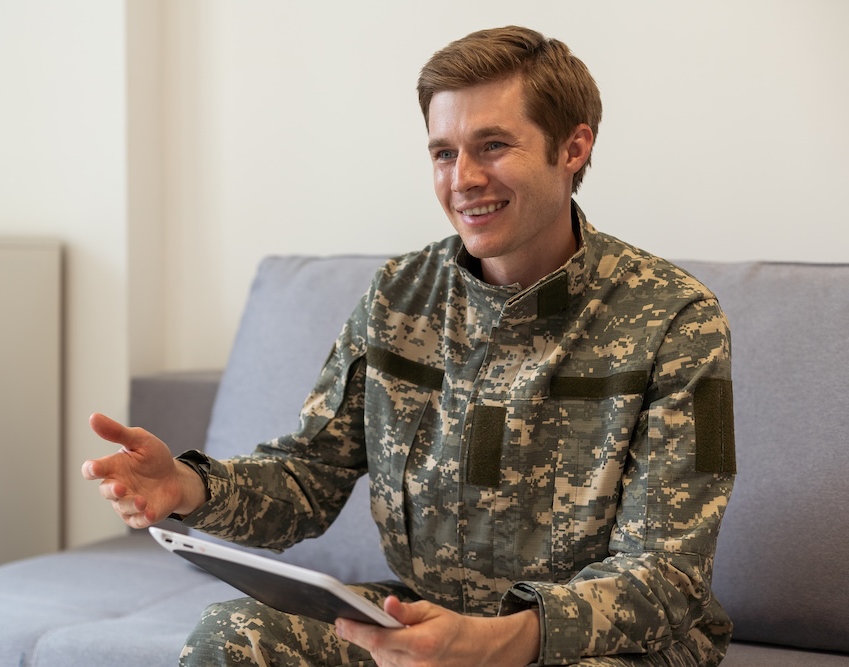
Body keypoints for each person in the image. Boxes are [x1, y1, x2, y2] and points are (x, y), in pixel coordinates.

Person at [83, 25, 736, 667]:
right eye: (444, 153)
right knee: (233, 636)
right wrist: (185, 486)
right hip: (431, 623)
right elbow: (309, 476)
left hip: (602, 646)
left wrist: (490, 645)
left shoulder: (676, 319)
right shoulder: (397, 297)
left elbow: (666, 575)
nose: (463, 178)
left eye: (493, 146)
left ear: (572, 148)